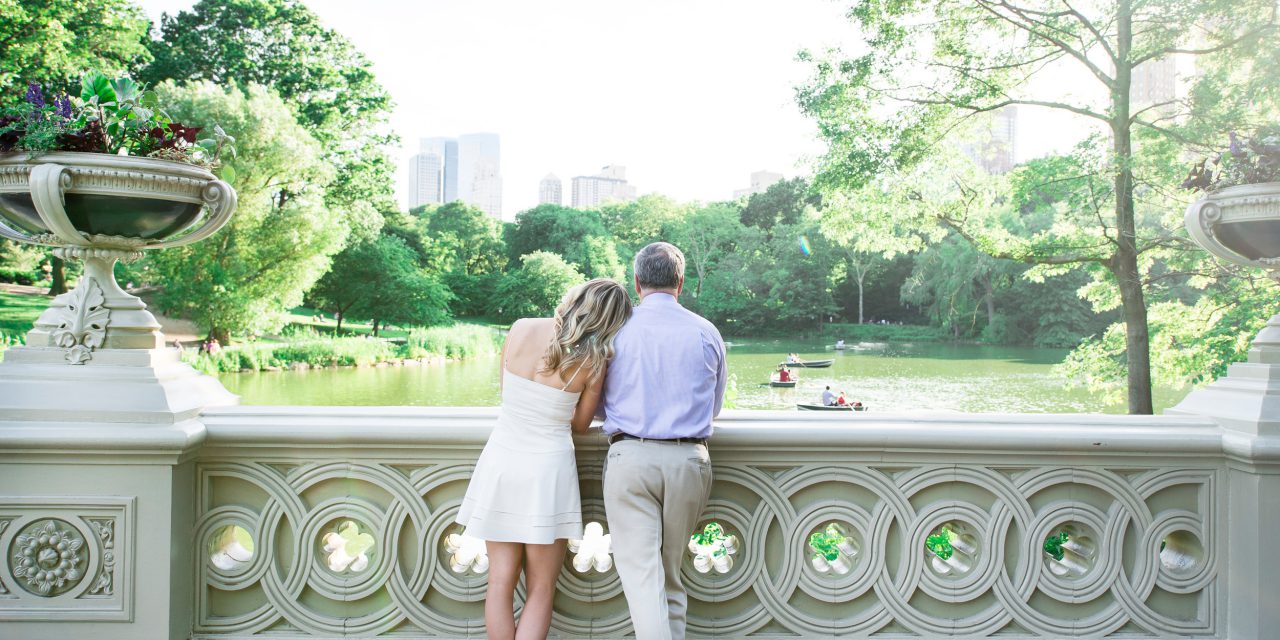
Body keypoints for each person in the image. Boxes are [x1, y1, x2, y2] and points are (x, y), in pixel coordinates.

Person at [457, 278, 632, 640]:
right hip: (548, 471)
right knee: (540, 586)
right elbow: (581, 425)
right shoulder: (594, 361)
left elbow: (509, 395)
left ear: (575, 299)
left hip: (502, 461)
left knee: (500, 581)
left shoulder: (520, 328)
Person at [601, 242, 726, 640]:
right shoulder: (706, 332)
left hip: (630, 457)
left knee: (643, 579)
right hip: (689, 460)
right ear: (681, 282)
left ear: (637, 282)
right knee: (670, 576)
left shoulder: (616, 330)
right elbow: (715, 407)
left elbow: (599, 404)